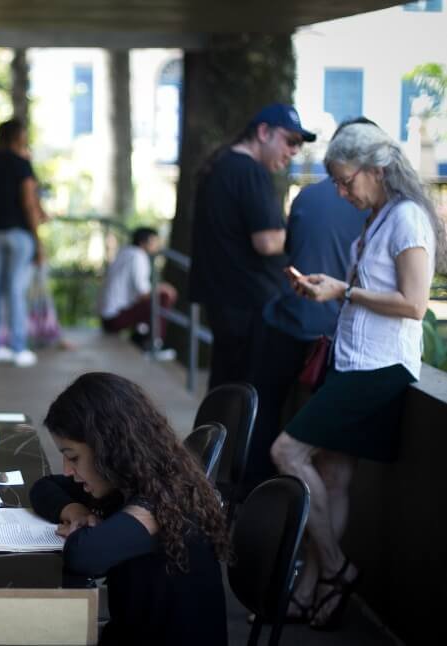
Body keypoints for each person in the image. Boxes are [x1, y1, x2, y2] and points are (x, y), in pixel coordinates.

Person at [271, 122, 445, 630]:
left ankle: (338, 567)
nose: (342, 192)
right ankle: (313, 587)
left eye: (347, 181)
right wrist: (331, 287)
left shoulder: (408, 218)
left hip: (378, 368)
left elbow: (414, 305)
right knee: (333, 477)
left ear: (377, 169)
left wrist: (342, 292)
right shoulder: (380, 214)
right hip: (352, 358)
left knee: (285, 452)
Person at [30, 372, 229, 645]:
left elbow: (84, 554)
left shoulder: (158, 505)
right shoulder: (129, 480)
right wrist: (77, 512)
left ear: (107, 448)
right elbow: (43, 487)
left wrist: (91, 531)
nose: (68, 470)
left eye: (73, 457)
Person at [255, 119, 374, 479]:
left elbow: (292, 251)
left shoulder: (307, 195)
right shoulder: (376, 209)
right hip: (335, 336)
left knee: (265, 409)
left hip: (290, 322)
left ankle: (252, 491)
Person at [189, 103, 315, 390]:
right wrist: (299, 232)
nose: (294, 150)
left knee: (224, 389)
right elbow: (268, 241)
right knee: (243, 396)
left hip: (226, 302)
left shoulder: (221, 165)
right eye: (290, 140)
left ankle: (215, 436)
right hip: (248, 306)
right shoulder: (250, 172)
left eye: (298, 145)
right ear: (263, 132)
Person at [0, 118, 47, 367]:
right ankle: (18, 346)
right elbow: (29, 202)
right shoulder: (22, 164)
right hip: (19, 233)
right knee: (16, 290)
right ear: (19, 136)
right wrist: (37, 239)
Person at [98, 227, 178, 351]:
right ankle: (154, 344)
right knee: (163, 297)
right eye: (154, 241)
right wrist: (163, 288)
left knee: (155, 299)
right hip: (115, 318)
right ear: (142, 242)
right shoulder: (138, 256)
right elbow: (144, 293)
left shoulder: (125, 252)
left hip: (108, 318)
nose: (157, 245)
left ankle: (141, 337)